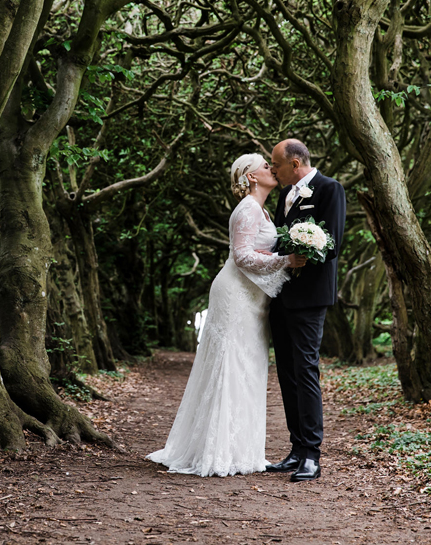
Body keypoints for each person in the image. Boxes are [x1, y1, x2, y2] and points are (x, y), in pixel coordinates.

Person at [146, 154, 305, 477]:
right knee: (230, 365)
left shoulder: (260, 209)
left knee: (249, 366)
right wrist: (285, 260)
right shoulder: (246, 209)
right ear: (250, 177)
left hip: (253, 299)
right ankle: (217, 451)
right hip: (235, 295)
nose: (271, 168)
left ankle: (240, 449)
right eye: (264, 166)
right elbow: (242, 256)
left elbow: (258, 250)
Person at [266, 139, 346, 482]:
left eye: (276, 165)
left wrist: (305, 246)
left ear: (295, 163)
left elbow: (332, 244)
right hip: (281, 296)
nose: (272, 170)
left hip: (311, 297)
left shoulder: (330, 189)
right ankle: (296, 448)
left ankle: (312, 454)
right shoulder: (285, 195)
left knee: (306, 371)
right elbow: (281, 240)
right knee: (286, 373)